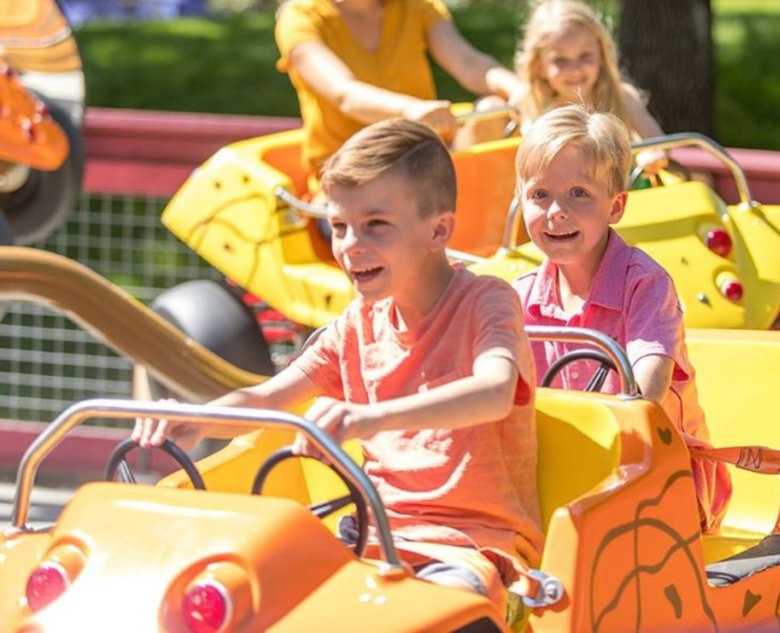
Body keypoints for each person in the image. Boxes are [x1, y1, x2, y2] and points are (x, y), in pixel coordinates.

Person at [133, 119, 543, 620]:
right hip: (372, 535)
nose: (350, 245)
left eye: (376, 225)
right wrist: (195, 420)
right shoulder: (356, 325)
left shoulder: (486, 301)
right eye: (340, 226)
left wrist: (368, 417)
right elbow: (267, 400)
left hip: (470, 546)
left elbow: (495, 390)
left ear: (438, 230)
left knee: (442, 613)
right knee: (239, 590)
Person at [512, 105, 731, 532]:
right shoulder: (521, 296)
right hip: (567, 468)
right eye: (540, 194)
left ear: (616, 206)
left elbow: (645, 393)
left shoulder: (644, 285)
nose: (556, 210)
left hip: (660, 473)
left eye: (579, 194)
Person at [275, 0, 523, 189]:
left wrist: (518, 89)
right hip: (349, 182)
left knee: (493, 110)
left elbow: (467, 62)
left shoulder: (415, 3)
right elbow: (344, 93)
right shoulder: (301, 17)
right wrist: (409, 110)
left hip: (424, 165)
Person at [473, 0, 667, 174]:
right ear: (539, 66)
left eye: (585, 56)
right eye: (560, 60)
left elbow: (659, 144)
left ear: (600, 54)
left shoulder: (622, 97)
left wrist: (652, 155)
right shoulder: (534, 106)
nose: (575, 69)